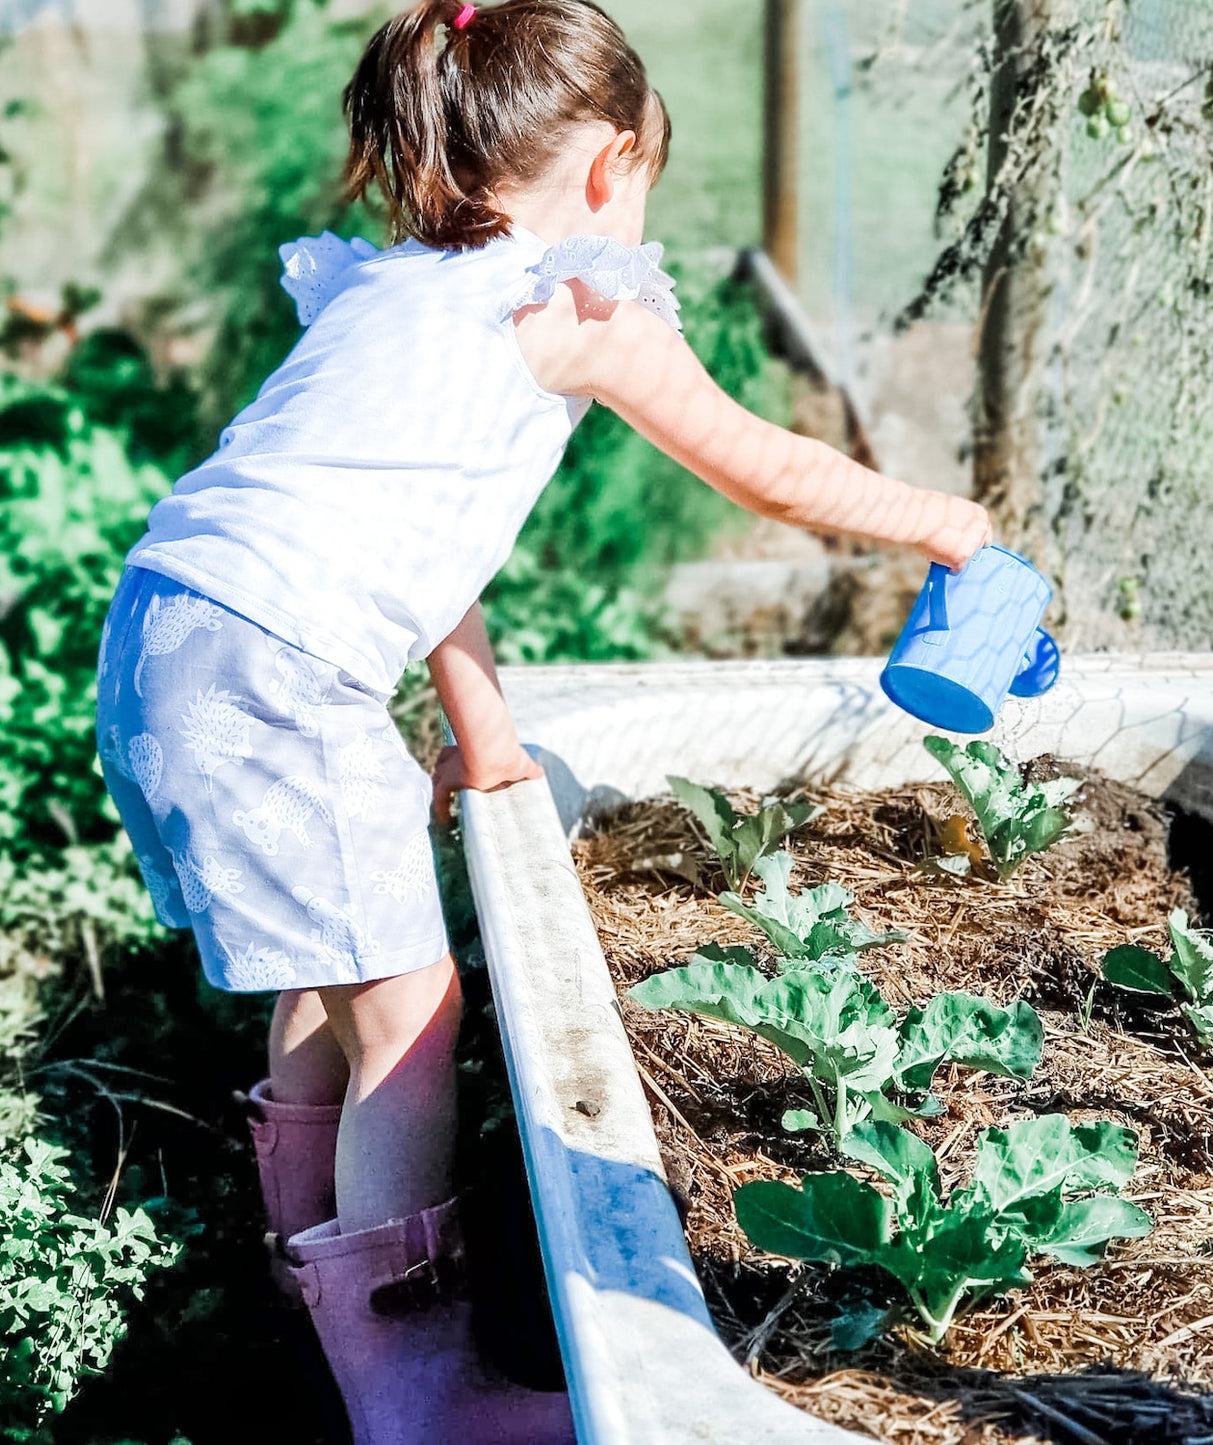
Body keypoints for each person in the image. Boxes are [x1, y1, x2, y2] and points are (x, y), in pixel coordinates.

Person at [94, 0, 993, 1439]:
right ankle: (409, 1378)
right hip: (274, 667)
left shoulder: (387, 294)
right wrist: (946, 526)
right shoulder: (575, 310)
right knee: (411, 1005)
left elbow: (424, 548)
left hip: (169, 635)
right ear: (612, 163)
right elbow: (761, 469)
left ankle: (302, 1276)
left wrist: (481, 724)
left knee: (334, 970)